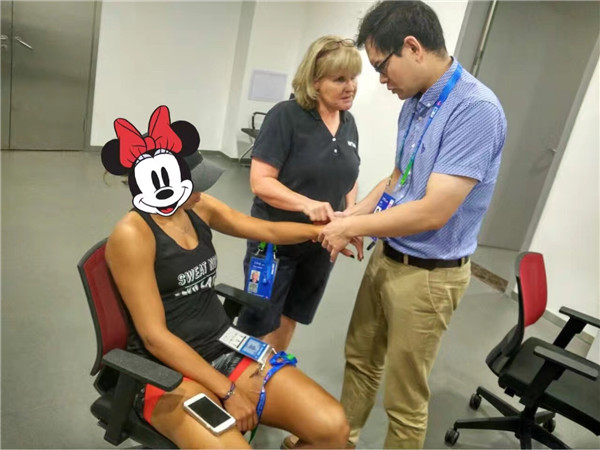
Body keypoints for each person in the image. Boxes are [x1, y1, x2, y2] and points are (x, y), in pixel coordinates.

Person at [318, 1, 507, 448]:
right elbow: (398, 179)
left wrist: (354, 229)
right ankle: (338, 441)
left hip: (428, 278)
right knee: (360, 361)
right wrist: (350, 216)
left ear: (413, 47)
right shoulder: (416, 103)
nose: (381, 80)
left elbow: (432, 211)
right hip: (389, 256)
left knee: (404, 401)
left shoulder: (474, 110)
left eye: (381, 67)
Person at [104, 141, 350, 446]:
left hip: (223, 348)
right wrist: (228, 390)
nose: (200, 190)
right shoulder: (133, 234)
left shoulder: (197, 207)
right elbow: (155, 337)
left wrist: (321, 232)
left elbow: (265, 230)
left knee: (333, 428)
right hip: (166, 372)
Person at [237, 35, 363, 352]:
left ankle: (272, 371)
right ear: (315, 81)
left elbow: (349, 177)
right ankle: (244, 377)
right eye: (339, 79)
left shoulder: (348, 123)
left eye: (353, 78)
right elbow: (261, 181)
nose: (350, 86)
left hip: (321, 245)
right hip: (275, 242)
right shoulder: (286, 116)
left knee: (292, 314)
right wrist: (306, 204)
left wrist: (351, 213)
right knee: (259, 320)